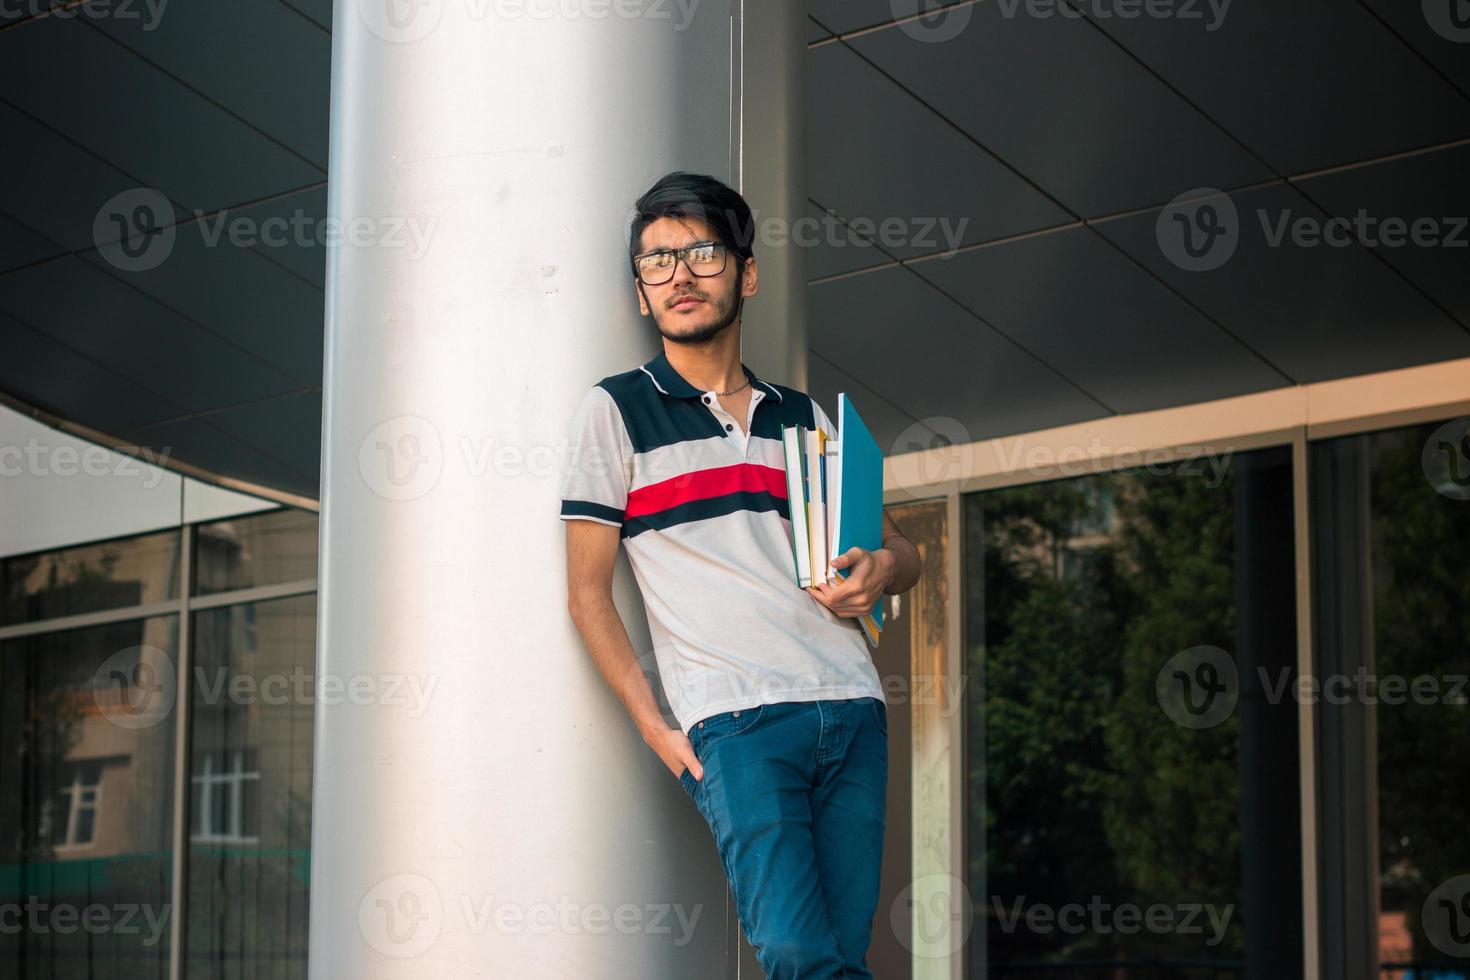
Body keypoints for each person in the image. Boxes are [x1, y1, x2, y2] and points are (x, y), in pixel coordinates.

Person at [559, 170, 922, 978]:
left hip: (851, 709)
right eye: (657, 262)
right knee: (796, 950)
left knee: (840, 955)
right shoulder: (615, 412)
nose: (680, 274)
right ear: (642, 296)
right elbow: (587, 594)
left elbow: (905, 555)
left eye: (701, 252)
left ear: (746, 273)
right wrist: (655, 724)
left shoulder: (806, 416)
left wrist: (879, 568)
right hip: (736, 721)